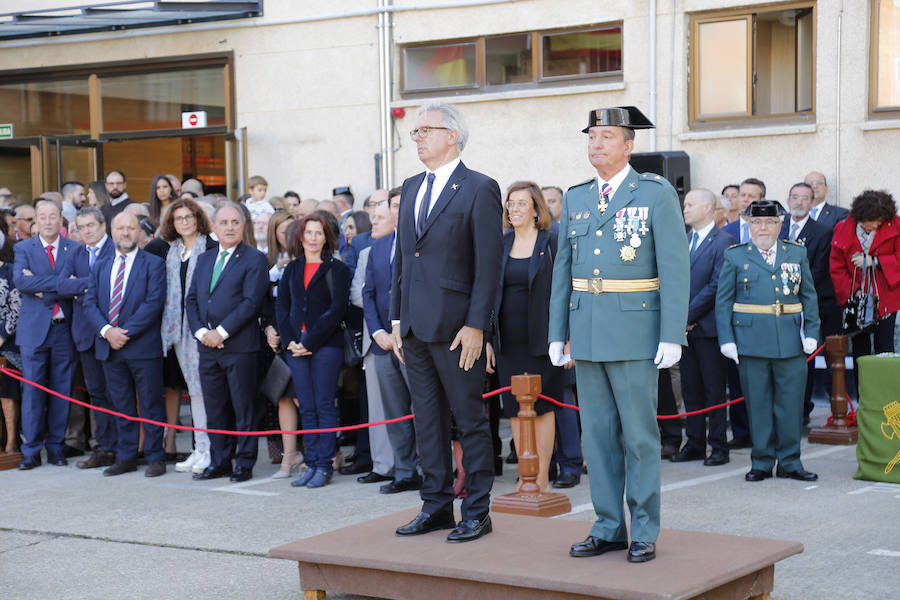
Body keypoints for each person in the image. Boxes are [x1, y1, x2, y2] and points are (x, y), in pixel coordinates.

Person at [548, 106, 689, 563]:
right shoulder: (577, 197)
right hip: (587, 331)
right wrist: (558, 332)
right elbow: (563, 270)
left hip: (634, 331)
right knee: (599, 436)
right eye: (591, 136)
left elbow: (674, 266)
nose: (596, 144)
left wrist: (671, 334)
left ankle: (644, 528)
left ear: (629, 145)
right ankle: (608, 525)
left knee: (640, 437)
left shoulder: (654, 192)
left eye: (606, 136)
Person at [391, 102, 502, 542]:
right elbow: (404, 257)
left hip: (459, 329)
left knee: (471, 420)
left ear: (451, 135)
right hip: (415, 326)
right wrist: (397, 318)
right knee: (427, 420)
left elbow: (489, 265)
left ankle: (477, 509)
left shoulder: (478, 187)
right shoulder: (412, 185)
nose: (416, 138)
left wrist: (478, 325)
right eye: (414, 132)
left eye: (424, 130)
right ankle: (435, 505)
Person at [716, 200, 820, 482]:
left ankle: (790, 462)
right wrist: (727, 339)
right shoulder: (736, 256)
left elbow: (808, 297)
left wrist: (812, 333)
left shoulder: (796, 253)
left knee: (790, 405)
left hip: (790, 341)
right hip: (750, 342)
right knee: (758, 405)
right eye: (757, 222)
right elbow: (723, 301)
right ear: (748, 225)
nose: (763, 227)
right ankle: (761, 462)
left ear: (779, 225)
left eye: (769, 222)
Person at [486, 181, 561, 493]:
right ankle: (525, 475)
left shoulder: (552, 241)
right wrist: (488, 339)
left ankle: (541, 475)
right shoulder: (500, 244)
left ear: (535, 209)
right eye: (510, 203)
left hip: (542, 340)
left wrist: (565, 337)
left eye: (520, 203)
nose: (512, 209)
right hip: (507, 341)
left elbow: (564, 291)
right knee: (515, 409)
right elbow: (489, 295)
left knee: (542, 408)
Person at [186, 202, 268, 482]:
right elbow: (193, 300)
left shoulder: (254, 259)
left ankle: (244, 463)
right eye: (224, 223)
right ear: (214, 227)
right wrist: (201, 333)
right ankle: (220, 461)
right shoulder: (205, 258)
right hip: (207, 348)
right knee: (215, 407)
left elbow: (250, 302)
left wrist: (220, 332)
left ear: (243, 225)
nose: (230, 227)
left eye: (235, 222)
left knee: (243, 408)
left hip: (240, 348)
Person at [82, 212, 168, 477]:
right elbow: (90, 303)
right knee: (121, 405)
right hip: (110, 347)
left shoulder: (153, 263)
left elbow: (153, 303)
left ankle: (155, 457)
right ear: (112, 231)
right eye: (121, 228)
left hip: (142, 347)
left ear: (139, 232)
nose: (126, 232)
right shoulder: (102, 264)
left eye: (131, 228)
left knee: (151, 403)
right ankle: (126, 456)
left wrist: (123, 333)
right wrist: (108, 332)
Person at [277, 213, 351, 488]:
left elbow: (336, 310)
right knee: (305, 406)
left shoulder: (337, 270)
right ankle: (312, 462)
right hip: (295, 348)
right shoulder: (292, 268)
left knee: (323, 404)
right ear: (300, 236)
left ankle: (325, 465)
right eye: (308, 232)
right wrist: (292, 341)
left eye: (318, 233)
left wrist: (310, 342)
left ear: (326, 238)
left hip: (325, 347)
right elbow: (282, 307)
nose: (312, 238)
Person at [671, 189, 735, 466]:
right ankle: (695, 443)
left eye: (690, 204)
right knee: (690, 388)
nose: (684, 209)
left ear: (708, 207)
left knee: (714, 389)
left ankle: (718, 446)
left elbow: (717, 285)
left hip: (708, 328)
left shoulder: (724, 241)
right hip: (685, 330)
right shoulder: (684, 240)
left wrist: (688, 314)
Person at [13, 199, 79, 470]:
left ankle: (55, 448)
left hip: (64, 330)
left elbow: (78, 283)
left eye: (53, 216)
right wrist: (61, 283)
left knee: (62, 391)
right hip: (33, 332)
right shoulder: (23, 248)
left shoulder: (74, 248)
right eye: (43, 216)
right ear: (35, 221)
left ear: (61, 220)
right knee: (32, 393)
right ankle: (30, 451)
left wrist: (40, 285)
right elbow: (21, 281)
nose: (48, 221)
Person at [158, 198, 218, 474]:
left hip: (203, 330)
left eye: (188, 217)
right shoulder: (173, 252)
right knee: (194, 392)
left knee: (205, 392)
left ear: (198, 219)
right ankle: (199, 447)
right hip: (178, 330)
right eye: (178, 218)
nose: (184, 222)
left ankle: (210, 450)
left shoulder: (211, 248)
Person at [56, 207, 118, 469]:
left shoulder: (116, 249)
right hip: (85, 335)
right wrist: (91, 283)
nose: (87, 231)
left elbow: (117, 285)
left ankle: (124, 448)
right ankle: (104, 448)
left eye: (91, 225)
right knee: (97, 394)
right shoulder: (76, 252)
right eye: (81, 227)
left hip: (113, 332)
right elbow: (61, 285)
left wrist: (79, 284)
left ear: (103, 225)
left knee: (119, 393)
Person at [363, 198, 418, 492]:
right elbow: (368, 294)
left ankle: (430, 471)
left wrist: (403, 331)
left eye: (402, 204)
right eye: (393, 205)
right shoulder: (379, 247)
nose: (397, 210)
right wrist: (378, 333)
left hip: (413, 341)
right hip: (383, 343)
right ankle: (405, 471)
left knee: (423, 410)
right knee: (395, 412)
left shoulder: (422, 243)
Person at [830, 189, 900, 398]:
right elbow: (836, 267)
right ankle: (864, 397)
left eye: (877, 221)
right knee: (859, 348)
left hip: (887, 299)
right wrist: (854, 291)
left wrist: (875, 262)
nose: (873, 226)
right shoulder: (843, 228)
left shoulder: (896, 225)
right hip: (857, 300)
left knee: (884, 347)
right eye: (868, 222)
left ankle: (885, 397)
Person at [779, 182, 837, 423]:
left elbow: (818, 270)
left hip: (810, 303)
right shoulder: (777, 228)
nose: (799, 202)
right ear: (788, 199)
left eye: (804, 198)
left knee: (806, 358)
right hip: (779, 307)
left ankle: (802, 409)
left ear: (812, 203)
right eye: (794, 197)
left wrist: (790, 291)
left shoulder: (822, 231)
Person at [351, 205, 397, 488]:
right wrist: (380, 329)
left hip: (406, 340)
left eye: (379, 218)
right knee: (378, 410)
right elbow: (359, 293)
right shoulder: (368, 253)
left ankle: (414, 464)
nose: (373, 224)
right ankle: (383, 465)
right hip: (376, 339)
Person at [262, 210, 301, 479]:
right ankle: (289, 457)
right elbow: (262, 302)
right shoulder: (266, 262)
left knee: (304, 399)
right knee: (283, 398)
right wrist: (268, 329)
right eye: (281, 230)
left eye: (291, 228)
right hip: (276, 339)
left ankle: (323, 453)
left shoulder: (306, 258)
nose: (286, 234)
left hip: (301, 338)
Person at [0, 222, 22, 454]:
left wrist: (1, 337)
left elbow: (16, 307)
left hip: (7, 345)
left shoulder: (10, 270)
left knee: (7, 392)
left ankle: (11, 442)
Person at [722, 178, 765, 244]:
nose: (745, 199)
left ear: (762, 201)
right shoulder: (725, 231)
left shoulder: (772, 230)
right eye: (742, 195)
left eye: (751, 196)